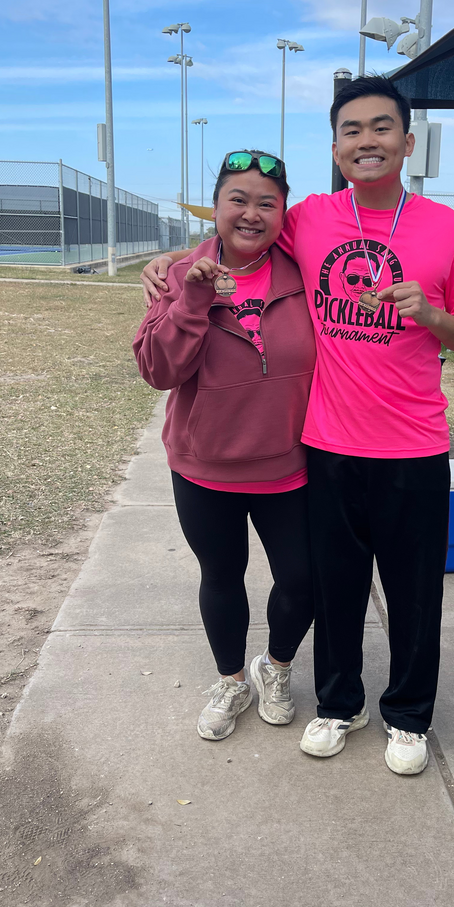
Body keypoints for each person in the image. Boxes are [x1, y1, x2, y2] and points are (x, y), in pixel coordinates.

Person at [144, 76, 454, 776]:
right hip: (328, 443)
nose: (367, 141)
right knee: (335, 589)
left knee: (414, 593)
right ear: (335, 150)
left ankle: (408, 716)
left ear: (408, 142)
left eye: (381, 127)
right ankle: (338, 704)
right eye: (351, 131)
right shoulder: (311, 218)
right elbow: (242, 233)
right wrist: (174, 262)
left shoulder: (448, 229)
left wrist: (430, 315)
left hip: (414, 443)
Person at [134, 151, 316, 742]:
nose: (251, 213)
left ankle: (276, 667)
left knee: (302, 579)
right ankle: (232, 679)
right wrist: (190, 297)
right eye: (238, 199)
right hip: (204, 465)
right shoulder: (178, 276)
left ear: (284, 213)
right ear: (214, 208)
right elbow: (158, 371)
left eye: (267, 203)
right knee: (222, 574)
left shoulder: (308, 273)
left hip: (288, 464)